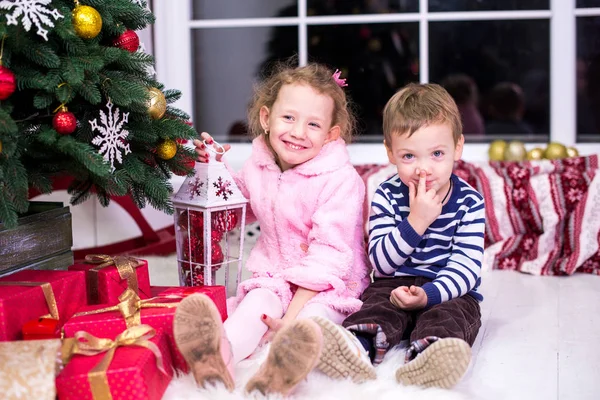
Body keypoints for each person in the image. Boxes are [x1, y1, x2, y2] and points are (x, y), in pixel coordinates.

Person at [173, 62, 372, 396]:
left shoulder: (341, 180)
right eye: (289, 118)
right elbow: (236, 206)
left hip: (329, 284)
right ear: (266, 119)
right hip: (275, 274)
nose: (297, 132)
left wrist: (291, 320)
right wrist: (213, 170)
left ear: (330, 134)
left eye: (313, 124)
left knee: (312, 323)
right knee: (253, 309)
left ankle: (279, 373)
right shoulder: (259, 165)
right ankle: (218, 355)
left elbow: (329, 257)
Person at [312, 83, 485, 389]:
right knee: (376, 306)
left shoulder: (470, 202)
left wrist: (429, 294)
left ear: (458, 147)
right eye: (409, 156)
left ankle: (430, 356)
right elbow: (381, 263)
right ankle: (355, 347)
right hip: (394, 283)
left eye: (437, 154)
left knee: (454, 314)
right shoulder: (387, 194)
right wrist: (416, 221)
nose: (423, 169)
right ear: (390, 152)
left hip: (447, 288)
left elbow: (467, 267)